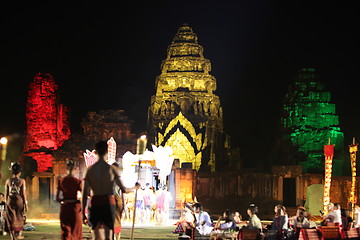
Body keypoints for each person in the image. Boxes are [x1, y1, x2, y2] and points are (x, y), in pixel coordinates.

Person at [82, 140, 140, 240]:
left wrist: (83, 212)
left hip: (95, 203)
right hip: (108, 203)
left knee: (96, 235)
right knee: (109, 234)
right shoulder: (112, 169)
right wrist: (135, 187)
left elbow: (84, 194)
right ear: (106, 152)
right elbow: (124, 190)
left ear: (96, 152)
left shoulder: (90, 170)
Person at [56, 160, 82, 240]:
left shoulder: (61, 181)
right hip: (75, 208)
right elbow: (82, 196)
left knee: (65, 232)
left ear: (66, 168)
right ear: (74, 168)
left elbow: (57, 198)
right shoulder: (77, 182)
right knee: (75, 232)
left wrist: (64, 201)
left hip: (65, 207)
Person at [4, 162, 28, 240]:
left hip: (10, 200)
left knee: (10, 218)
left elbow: (6, 194)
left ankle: (12, 236)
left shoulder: (8, 181)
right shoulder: (22, 181)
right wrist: (26, 204)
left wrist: (5, 204)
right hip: (19, 200)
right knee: (19, 216)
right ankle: (19, 234)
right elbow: (23, 194)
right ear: (20, 172)